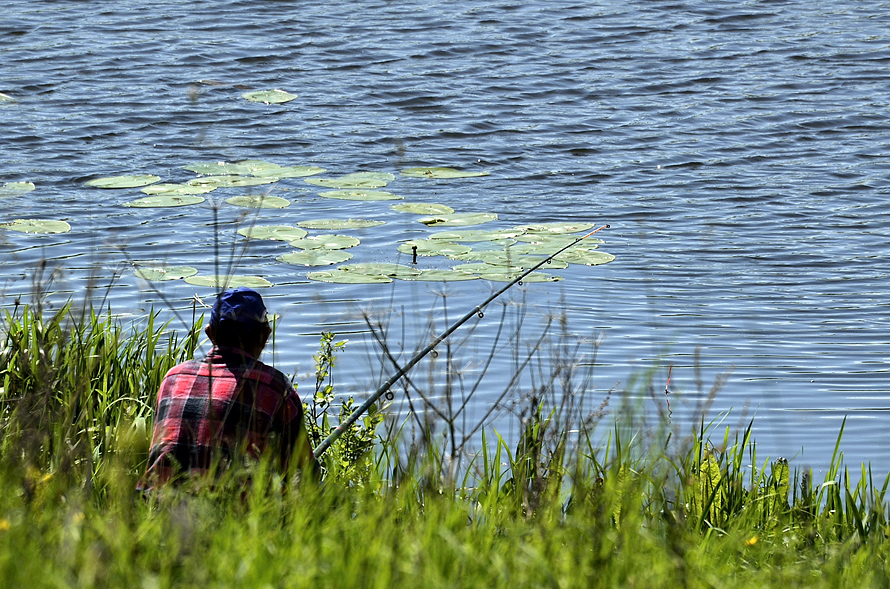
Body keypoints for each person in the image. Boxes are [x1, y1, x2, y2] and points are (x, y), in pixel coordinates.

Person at [139, 287, 317, 490]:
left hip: (158, 513)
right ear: (266, 335)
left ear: (210, 333)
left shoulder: (173, 378)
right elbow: (305, 474)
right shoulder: (274, 388)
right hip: (233, 517)